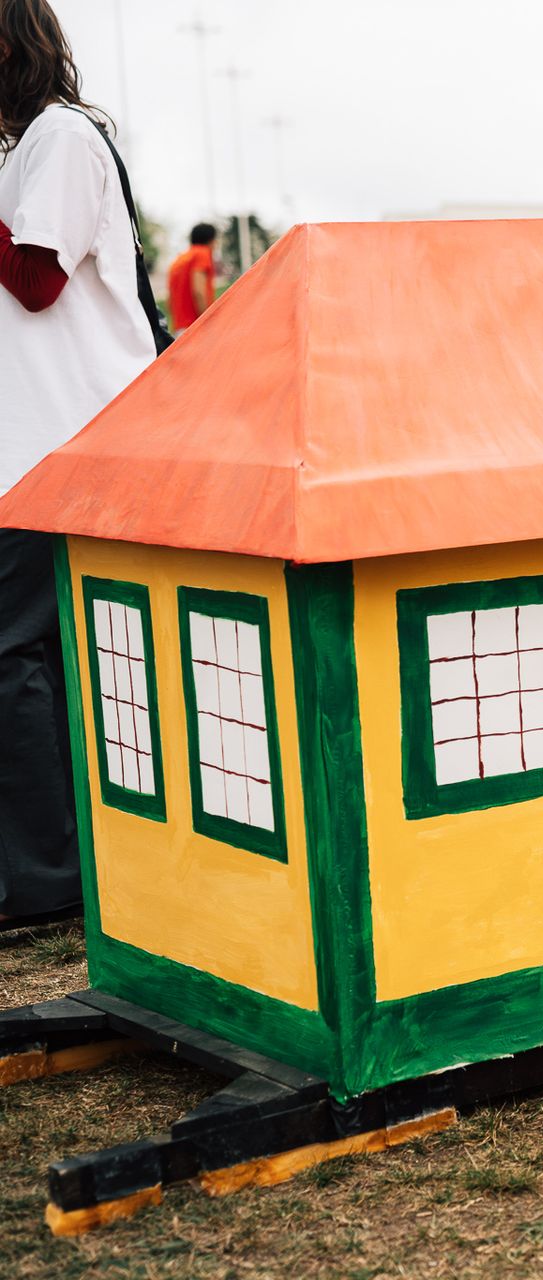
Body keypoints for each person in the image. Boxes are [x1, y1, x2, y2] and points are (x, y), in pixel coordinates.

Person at [0, 0, 160, 927]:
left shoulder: (61, 137)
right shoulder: (29, 150)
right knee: (48, 657)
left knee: (13, 654)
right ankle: (62, 865)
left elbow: (35, 280)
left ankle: (47, 881)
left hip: (60, 446)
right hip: (40, 444)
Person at [166, 221, 217, 330]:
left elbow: (169, 301)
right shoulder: (202, 254)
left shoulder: (179, 260)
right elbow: (198, 292)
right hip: (196, 327)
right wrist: (207, 323)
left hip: (180, 328)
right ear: (211, 240)